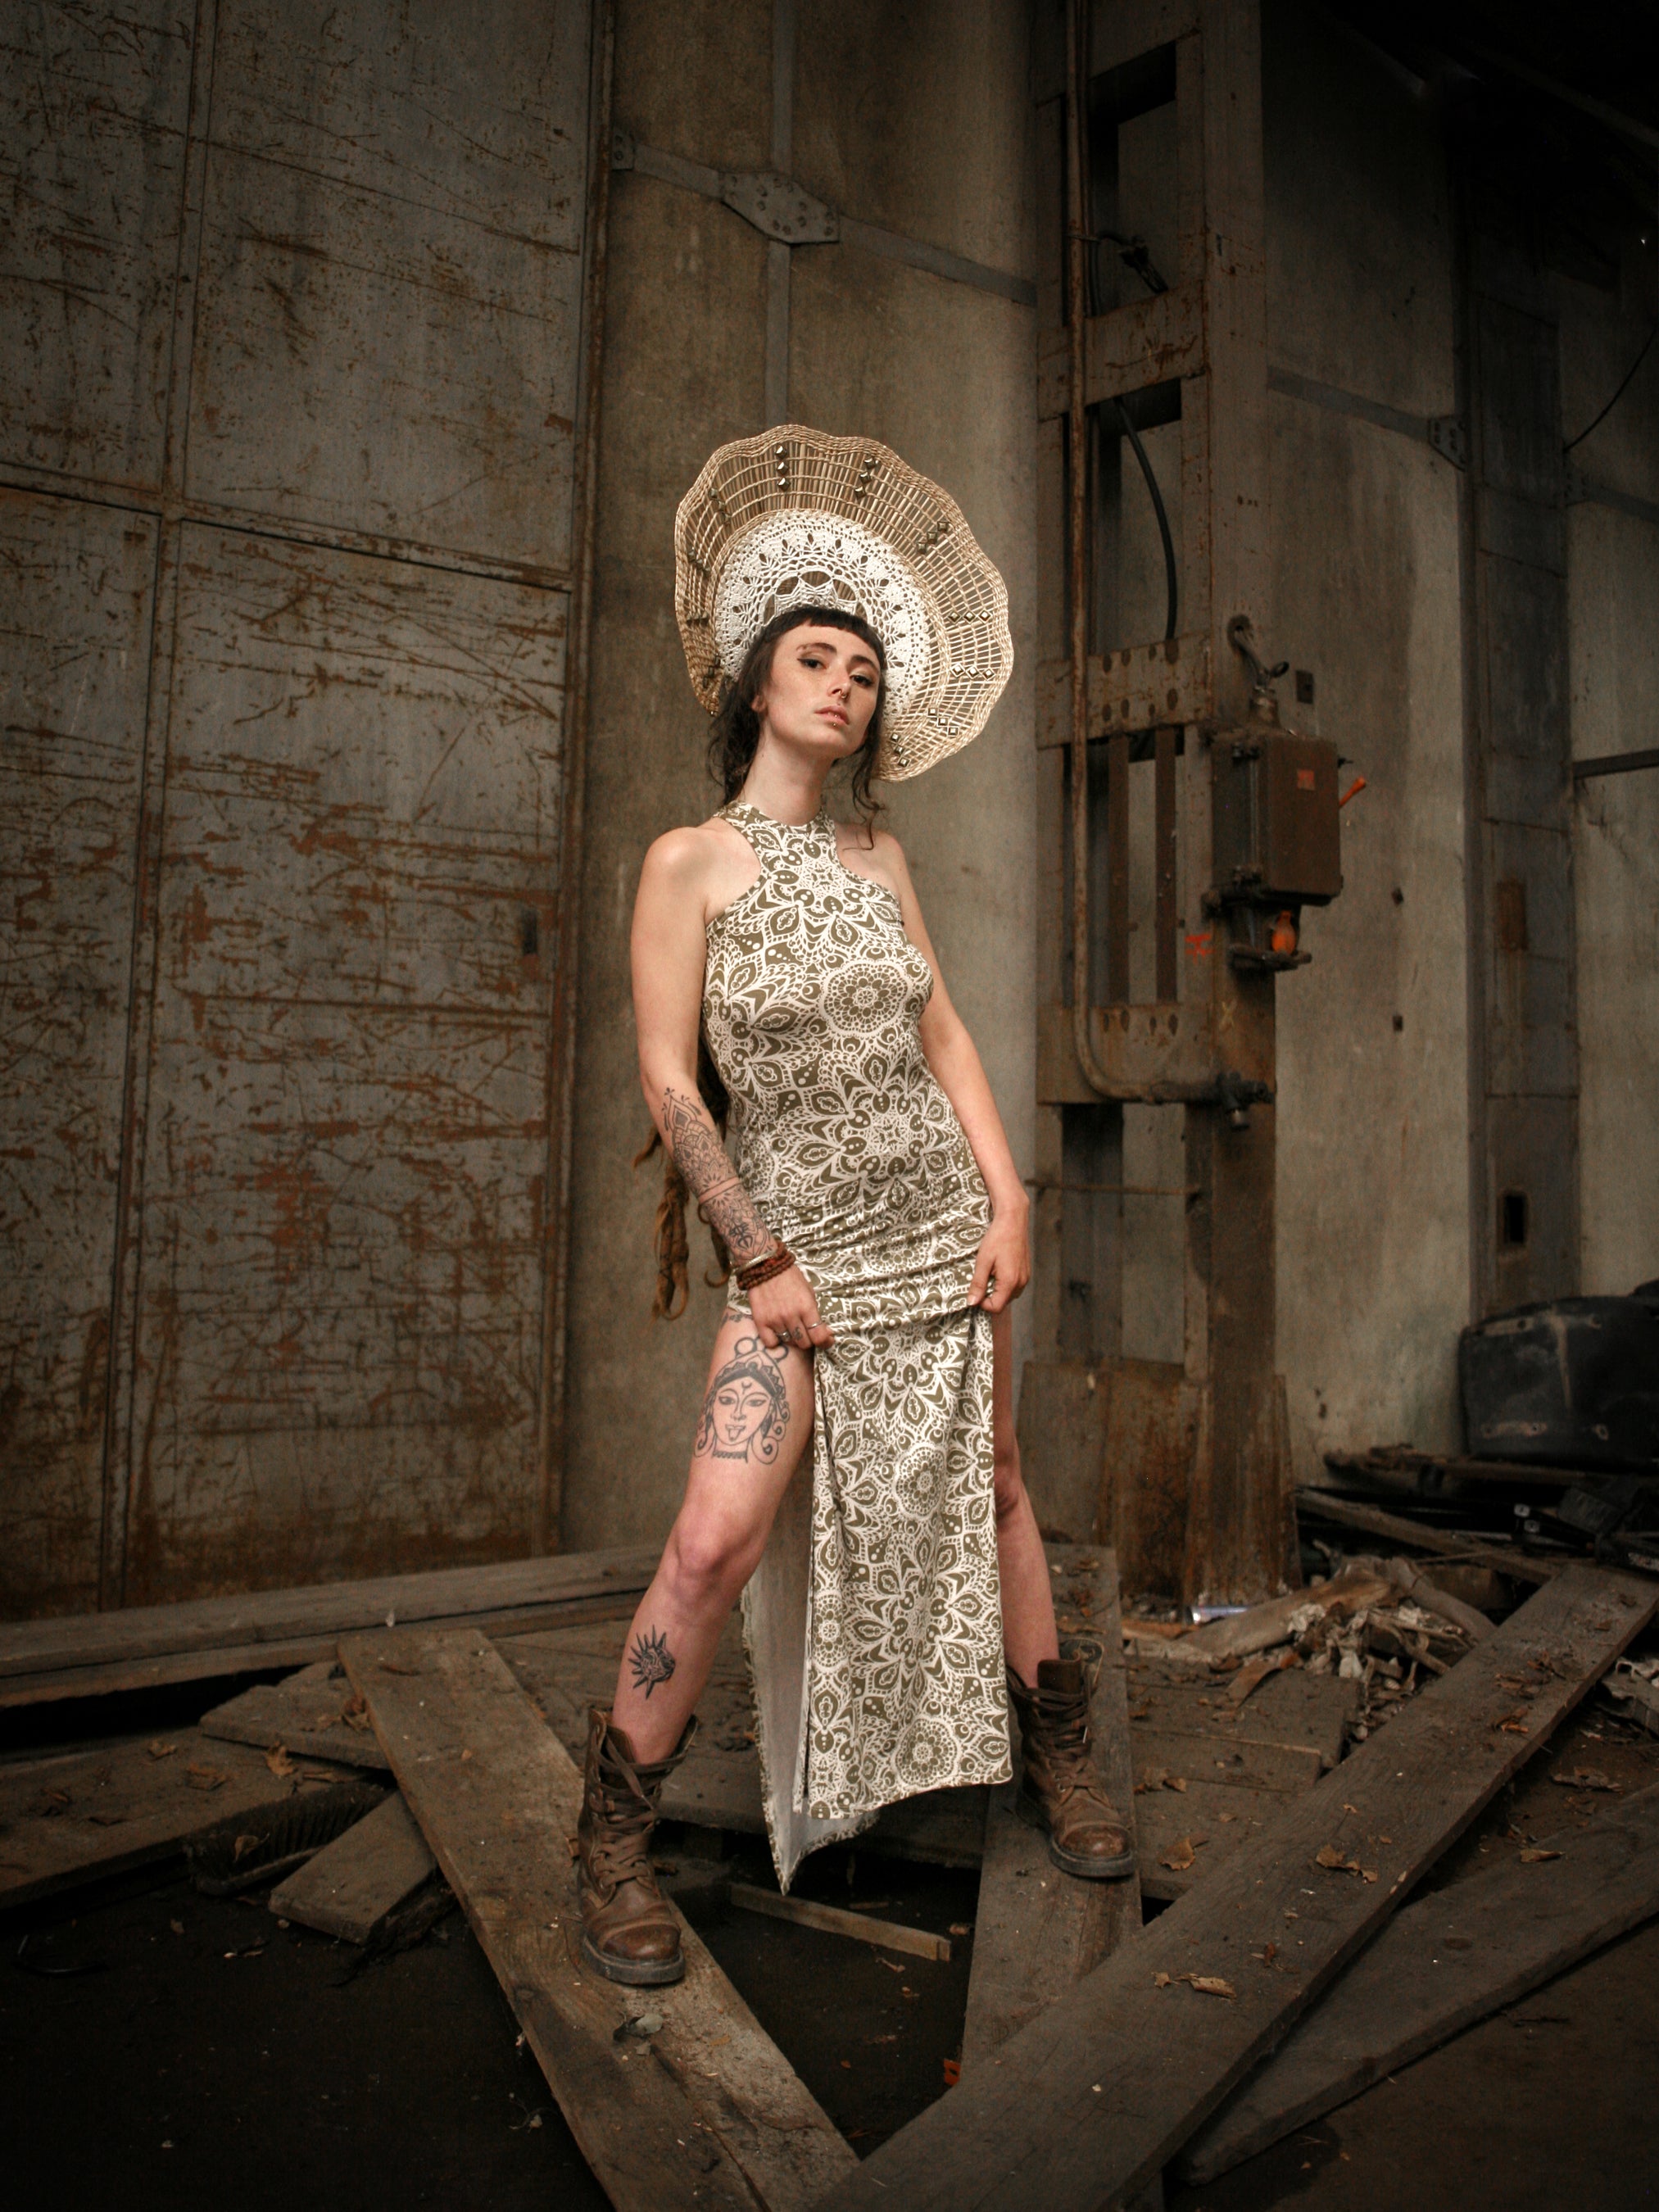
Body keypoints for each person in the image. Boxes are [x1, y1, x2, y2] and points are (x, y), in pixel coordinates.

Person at [576, 427, 1134, 1988]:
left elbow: (942, 1034)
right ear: (757, 682)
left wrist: (1009, 1200)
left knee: (999, 1485)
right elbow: (668, 1080)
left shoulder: (882, 858)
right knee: (713, 1538)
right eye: (816, 660)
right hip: (797, 1255)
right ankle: (608, 1844)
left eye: (866, 672)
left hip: (938, 1231)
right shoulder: (687, 863)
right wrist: (757, 1257)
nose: (844, 686)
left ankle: (1059, 1754)